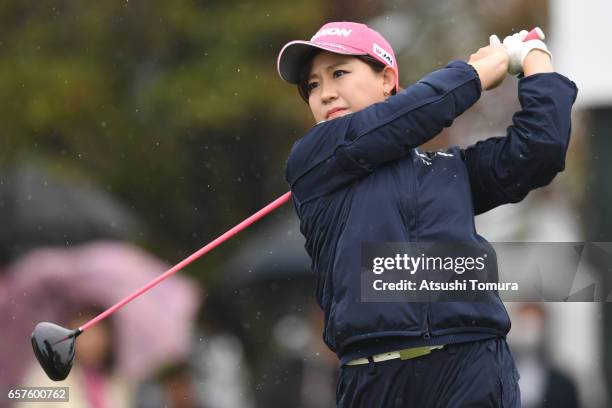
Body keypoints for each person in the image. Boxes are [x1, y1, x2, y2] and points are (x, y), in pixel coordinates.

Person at [276, 21, 577, 407]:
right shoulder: (312, 160)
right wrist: (474, 74)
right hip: (376, 378)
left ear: (386, 79)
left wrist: (535, 60)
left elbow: (539, 150)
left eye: (338, 73)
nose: (325, 93)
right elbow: (405, 118)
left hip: (472, 367)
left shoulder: (450, 170)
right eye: (313, 86)